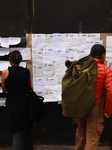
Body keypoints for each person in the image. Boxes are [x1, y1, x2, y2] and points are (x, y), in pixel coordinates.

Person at [73, 44, 112, 150]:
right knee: (92, 138)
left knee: (80, 134)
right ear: (103, 55)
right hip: (96, 107)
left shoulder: (81, 67)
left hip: (81, 106)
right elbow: (110, 91)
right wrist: (108, 109)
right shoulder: (106, 70)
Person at [1, 50, 33, 150]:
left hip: (12, 104)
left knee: (15, 129)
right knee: (25, 128)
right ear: (21, 60)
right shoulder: (26, 71)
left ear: (9, 60)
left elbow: (5, 90)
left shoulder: (5, 72)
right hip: (24, 103)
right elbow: (30, 87)